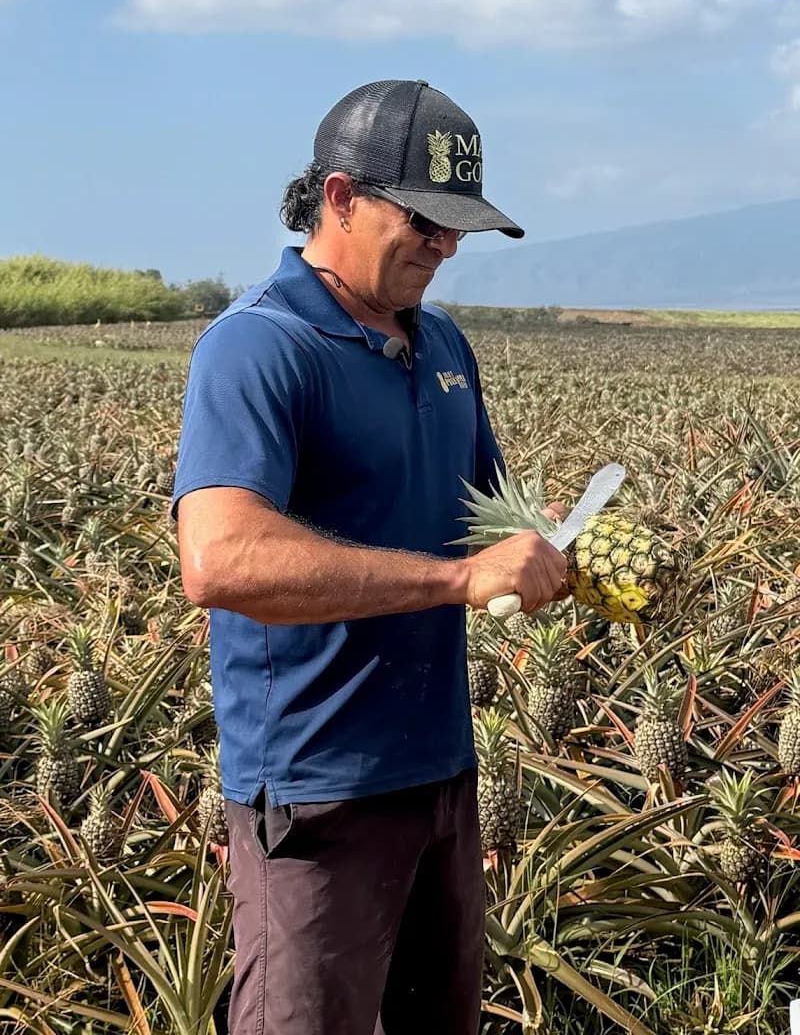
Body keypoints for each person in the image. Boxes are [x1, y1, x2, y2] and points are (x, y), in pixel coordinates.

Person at [171, 79, 569, 1035]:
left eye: (459, 228)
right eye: (426, 221)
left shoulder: (442, 346)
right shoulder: (260, 347)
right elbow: (219, 560)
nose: (447, 247)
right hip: (316, 795)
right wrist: (457, 580)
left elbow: (483, 525)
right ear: (341, 198)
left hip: (439, 774)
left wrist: (559, 546)